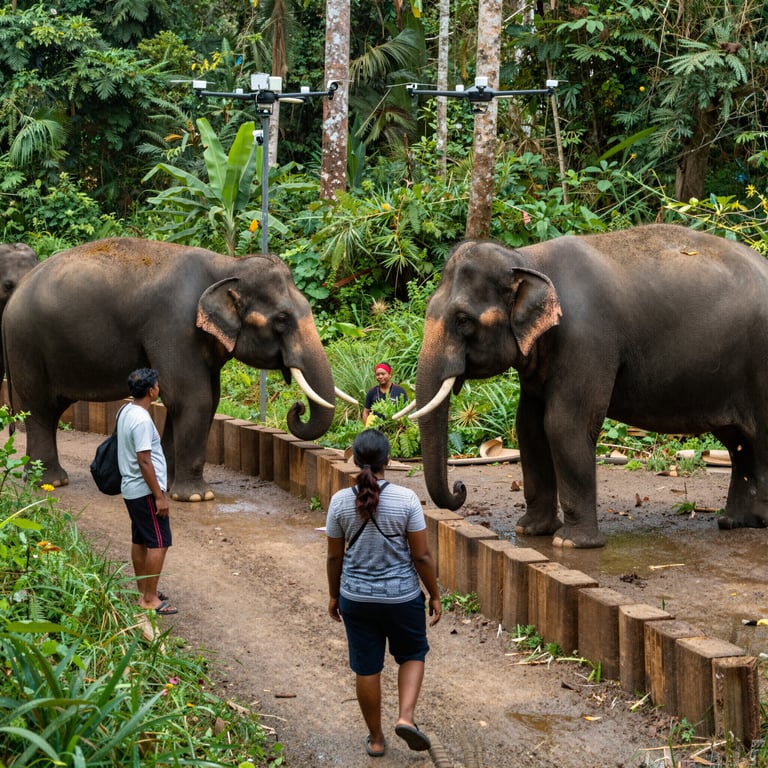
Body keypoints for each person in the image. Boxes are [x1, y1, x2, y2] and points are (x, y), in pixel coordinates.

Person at [326, 429, 441, 757]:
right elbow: (421, 556)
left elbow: (335, 556)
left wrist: (334, 596)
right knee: (413, 653)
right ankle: (405, 717)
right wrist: (433, 594)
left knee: (367, 667)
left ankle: (376, 739)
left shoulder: (339, 502)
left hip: (356, 598)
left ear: (355, 459)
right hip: (402, 598)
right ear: (388, 461)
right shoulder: (406, 500)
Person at [117, 368, 177, 615]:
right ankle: (150, 599)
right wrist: (159, 497)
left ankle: (144, 589)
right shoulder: (142, 420)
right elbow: (144, 460)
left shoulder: (126, 411)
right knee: (159, 542)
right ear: (152, 391)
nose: (159, 388)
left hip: (131, 489)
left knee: (140, 540)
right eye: (158, 385)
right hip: (144, 491)